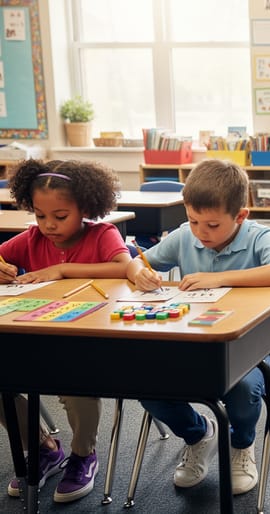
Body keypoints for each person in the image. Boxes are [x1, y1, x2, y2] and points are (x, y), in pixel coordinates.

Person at [126, 159, 270, 495]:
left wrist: (218, 278)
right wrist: (136, 271)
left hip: (248, 345)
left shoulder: (257, 236)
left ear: (240, 216)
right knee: (145, 383)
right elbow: (139, 259)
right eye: (193, 221)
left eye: (213, 225)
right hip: (193, 341)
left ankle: (241, 445)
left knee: (243, 389)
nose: (201, 232)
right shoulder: (184, 236)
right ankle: (198, 434)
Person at [0, 159, 131, 503]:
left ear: (85, 207)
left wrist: (62, 270)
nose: (48, 226)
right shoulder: (31, 238)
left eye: (60, 217)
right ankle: (44, 448)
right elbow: (2, 256)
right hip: (37, 340)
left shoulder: (103, 234)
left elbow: (124, 267)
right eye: (40, 216)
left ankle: (83, 453)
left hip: (90, 343)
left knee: (77, 389)